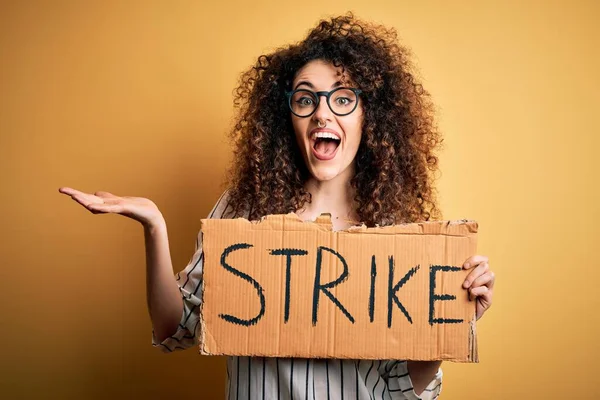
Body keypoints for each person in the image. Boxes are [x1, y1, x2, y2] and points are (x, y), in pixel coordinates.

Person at [59, 13, 495, 400]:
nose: (322, 114)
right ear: (287, 116)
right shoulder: (242, 210)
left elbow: (401, 390)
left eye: (342, 99)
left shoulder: (399, 235)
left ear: (370, 116)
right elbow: (175, 330)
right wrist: (154, 226)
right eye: (306, 99)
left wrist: (449, 323)